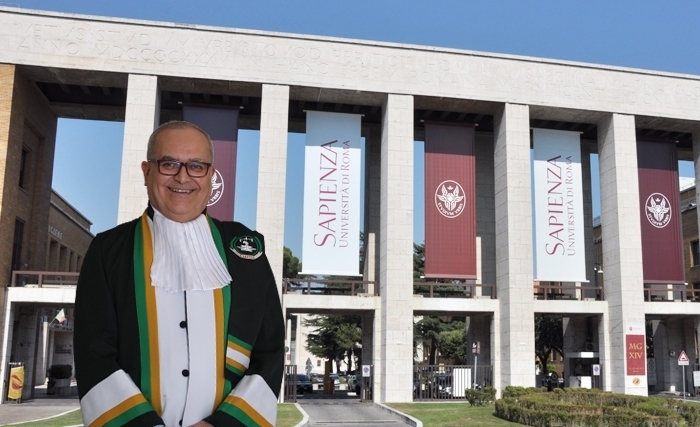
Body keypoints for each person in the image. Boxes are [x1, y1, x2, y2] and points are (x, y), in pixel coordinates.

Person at [74, 121, 285, 427]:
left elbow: (270, 349)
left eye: (196, 166)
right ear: (147, 172)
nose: (183, 176)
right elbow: (93, 352)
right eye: (169, 164)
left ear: (211, 176)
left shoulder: (245, 250)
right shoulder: (109, 249)